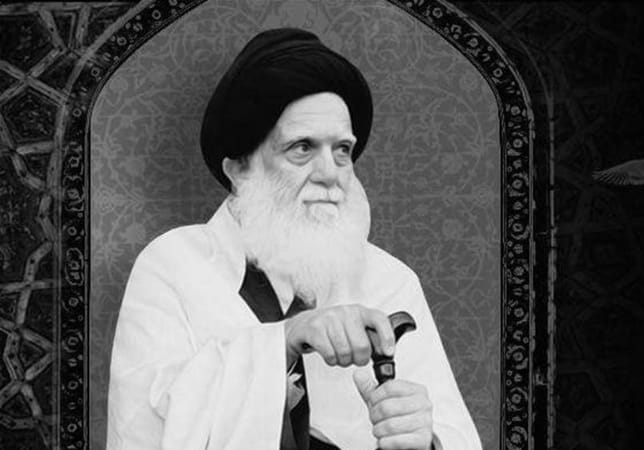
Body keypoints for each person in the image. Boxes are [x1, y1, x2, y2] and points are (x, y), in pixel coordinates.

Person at [106, 28, 481, 450]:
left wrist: (423, 441)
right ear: (240, 168)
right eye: (302, 148)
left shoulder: (390, 281)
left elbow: (452, 436)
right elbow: (140, 431)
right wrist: (285, 340)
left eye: (342, 150)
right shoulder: (173, 266)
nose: (331, 173)